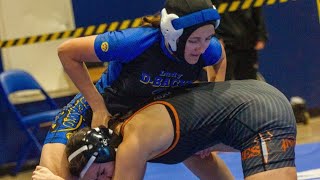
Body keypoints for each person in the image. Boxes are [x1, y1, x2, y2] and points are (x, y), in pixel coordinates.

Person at [40, 0, 230, 179]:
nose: (202, 47)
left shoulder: (208, 50)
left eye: (208, 38)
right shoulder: (134, 41)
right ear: (173, 33)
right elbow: (66, 52)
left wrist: (210, 109)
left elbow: (220, 58)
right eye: (195, 40)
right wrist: (97, 106)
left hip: (143, 118)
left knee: (200, 153)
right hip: (102, 110)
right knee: (51, 174)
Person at [33, 80, 297, 180]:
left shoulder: (134, 141)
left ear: (111, 152)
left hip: (260, 116)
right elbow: (206, 164)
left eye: (103, 173)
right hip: (257, 103)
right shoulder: (159, 141)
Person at [212, 0, 268, 80]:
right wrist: (215, 37)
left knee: (248, 81)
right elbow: (209, 16)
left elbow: (257, 13)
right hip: (225, 45)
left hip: (247, 44)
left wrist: (261, 36)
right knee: (222, 83)